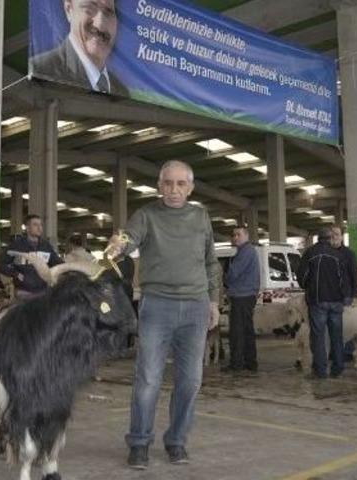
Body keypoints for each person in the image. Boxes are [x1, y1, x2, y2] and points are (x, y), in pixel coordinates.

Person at [111, 160, 221, 469]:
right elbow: (128, 238)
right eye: (168, 183)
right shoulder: (146, 215)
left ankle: (176, 441)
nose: (174, 189)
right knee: (148, 379)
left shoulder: (201, 217)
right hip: (157, 306)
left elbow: (211, 262)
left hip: (196, 307)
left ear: (190, 188)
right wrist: (116, 246)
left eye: (181, 184)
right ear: (159, 186)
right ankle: (139, 443)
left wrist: (213, 302)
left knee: (190, 381)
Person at [31, 0, 128, 95]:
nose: (100, 24)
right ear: (69, 10)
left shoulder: (122, 91)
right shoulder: (38, 73)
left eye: (108, 12)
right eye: (89, 9)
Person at [297, 227, 347, 379]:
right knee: (336, 336)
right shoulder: (338, 255)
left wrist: (308, 287)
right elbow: (344, 280)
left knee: (318, 337)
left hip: (317, 301)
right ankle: (338, 368)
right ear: (330, 238)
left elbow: (302, 276)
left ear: (318, 238)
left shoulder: (310, 253)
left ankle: (320, 370)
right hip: (336, 301)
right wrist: (344, 296)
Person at [222, 226, 260, 376]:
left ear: (246, 236)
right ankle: (250, 362)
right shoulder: (247, 251)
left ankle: (237, 364)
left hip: (241, 296)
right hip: (247, 295)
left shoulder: (246, 252)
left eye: (238, 234)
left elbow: (233, 273)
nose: (235, 237)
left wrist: (225, 280)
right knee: (246, 330)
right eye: (233, 235)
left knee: (237, 332)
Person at [0, 215, 64, 298]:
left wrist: (70, 267)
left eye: (40, 225)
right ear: (27, 228)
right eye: (35, 225)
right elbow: (1, 264)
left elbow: (56, 262)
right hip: (23, 292)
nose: (39, 228)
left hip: (43, 291)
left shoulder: (46, 246)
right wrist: (16, 274)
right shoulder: (17, 245)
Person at [330, 225, 357, 305]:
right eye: (332, 235)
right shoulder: (325, 253)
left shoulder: (349, 254)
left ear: (341, 237)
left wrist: (355, 295)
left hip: (345, 295)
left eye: (337, 234)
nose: (334, 237)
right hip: (329, 296)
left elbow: (354, 274)